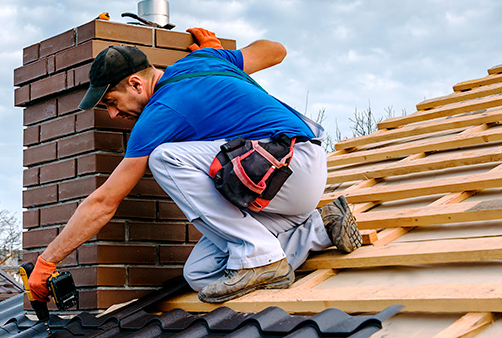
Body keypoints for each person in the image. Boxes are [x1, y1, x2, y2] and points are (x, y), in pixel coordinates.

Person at [28, 27, 361, 305]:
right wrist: (223, 57)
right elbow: (276, 50)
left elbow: (104, 202)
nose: (113, 114)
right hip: (285, 185)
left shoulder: (160, 113)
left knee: (165, 157)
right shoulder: (206, 59)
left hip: (288, 165)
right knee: (200, 273)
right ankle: (320, 228)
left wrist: (48, 260)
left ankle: (261, 256)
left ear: (135, 84)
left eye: (112, 102)